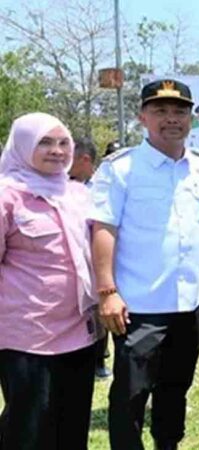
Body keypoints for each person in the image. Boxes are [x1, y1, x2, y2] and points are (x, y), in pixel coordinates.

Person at [90, 79, 199, 450]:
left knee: (176, 388)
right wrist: (107, 291)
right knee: (131, 394)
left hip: (187, 302)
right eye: (160, 111)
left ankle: (168, 444)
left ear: (191, 119)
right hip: (139, 305)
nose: (171, 119)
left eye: (180, 111)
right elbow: (103, 228)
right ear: (142, 117)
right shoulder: (121, 168)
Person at [0, 112, 98, 450]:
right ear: (23, 145)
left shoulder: (78, 195)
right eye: (44, 142)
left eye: (63, 143)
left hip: (80, 332)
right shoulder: (7, 195)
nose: (57, 151)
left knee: (72, 427)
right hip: (26, 336)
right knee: (28, 430)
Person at [68, 137, 113, 380]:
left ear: (84, 159)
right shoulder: (64, 188)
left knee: (101, 316)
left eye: (70, 158)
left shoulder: (102, 186)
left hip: (101, 267)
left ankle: (100, 360)